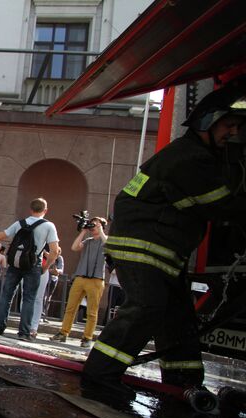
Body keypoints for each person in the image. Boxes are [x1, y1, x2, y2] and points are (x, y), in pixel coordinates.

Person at [81, 83, 246, 401]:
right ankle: (99, 376)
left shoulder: (198, 157)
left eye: (238, 128)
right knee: (147, 307)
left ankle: (182, 383)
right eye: (229, 125)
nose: (233, 133)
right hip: (144, 244)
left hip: (159, 248)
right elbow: (223, 205)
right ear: (206, 122)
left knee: (178, 319)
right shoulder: (190, 159)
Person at [0, 198, 60, 341]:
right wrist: (45, 267)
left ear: (30, 209)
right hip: (33, 265)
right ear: (45, 210)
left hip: (15, 264)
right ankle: (24, 332)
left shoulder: (20, 223)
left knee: (6, 296)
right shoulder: (49, 226)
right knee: (29, 298)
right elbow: (55, 251)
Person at [49, 217, 108, 347]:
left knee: (92, 312)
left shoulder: (106, 239)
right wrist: (83, 231)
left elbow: (107, 245)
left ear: (102, 226)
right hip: (80, 277)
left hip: (96, 280)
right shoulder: (88, 241)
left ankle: (87, 338)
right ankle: (63, 333)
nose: (93, 226)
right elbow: (74, 247)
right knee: (70, 308)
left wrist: (100, 229)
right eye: (92, 224)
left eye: (96, 224)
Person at [40, 251, 64, 321]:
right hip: (44, 277)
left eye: (59, 252)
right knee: (42, 296)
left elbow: (61, 270)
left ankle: (44, 314)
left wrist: (57, 271)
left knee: (48, 297)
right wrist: (50, 271)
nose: (57, 254)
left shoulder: (59, 258)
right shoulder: (46, 256)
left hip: (53, 279)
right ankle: (41, 313)